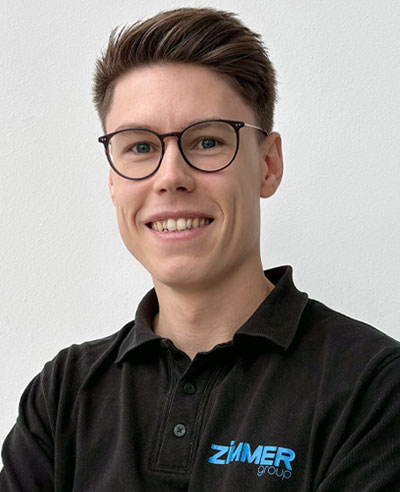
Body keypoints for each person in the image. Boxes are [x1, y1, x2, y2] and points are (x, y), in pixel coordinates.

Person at [1, 6, 399, 491]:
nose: (171, 177)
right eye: (140, 147)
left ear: (268, 164)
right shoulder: (62, 394)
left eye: (207, 141)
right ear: (113, 182)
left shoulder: (374, 387)